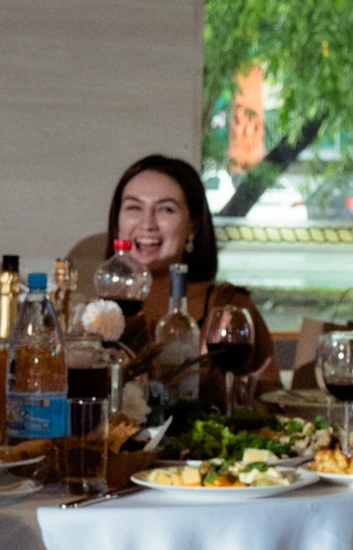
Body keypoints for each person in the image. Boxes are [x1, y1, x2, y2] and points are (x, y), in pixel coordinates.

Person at [77, 153, 276, 390]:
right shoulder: (93, 315)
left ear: (193, 225)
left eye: (166, 209)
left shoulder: (228, 307)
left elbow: (271, 402)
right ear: (117, 223)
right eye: (133, 207)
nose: (147, 224)